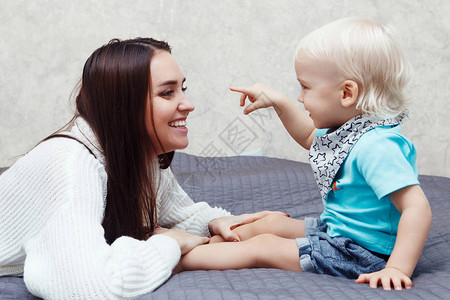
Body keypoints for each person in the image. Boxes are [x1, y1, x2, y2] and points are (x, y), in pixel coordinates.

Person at [0, 37, 287, 299]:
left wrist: (215, 222)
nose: (188, 104)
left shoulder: (135, 151)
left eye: (182, 89)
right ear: (123, 106)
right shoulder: (71, 167)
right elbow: (93, 288)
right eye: (167, 93)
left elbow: (174, 213)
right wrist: (171, 245)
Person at [178, 18, 432, 291]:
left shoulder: (378, 145)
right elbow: (311, 138)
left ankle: (174, 258)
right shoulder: (351, 129)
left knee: (266, 246)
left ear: (347, 93)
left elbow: (417, 208)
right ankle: (201, 243)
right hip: (338, 232)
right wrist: (279, 102)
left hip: (365, 255)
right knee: (270, 223)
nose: (300, 97)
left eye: (305, 87)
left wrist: (396, 267)